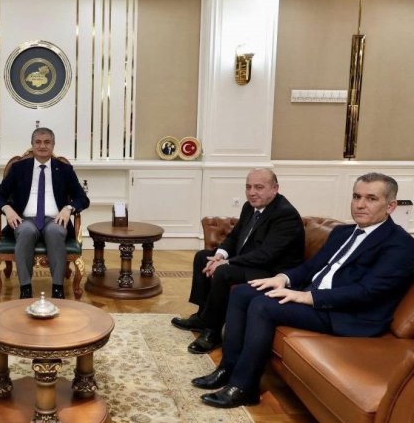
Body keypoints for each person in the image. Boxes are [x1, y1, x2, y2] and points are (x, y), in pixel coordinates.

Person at [192, 172, 414, 409]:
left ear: (390, 206)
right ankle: (227, 369)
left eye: (371, 199)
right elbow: (311, 267)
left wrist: (307, 296)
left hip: (348, 314)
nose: (360, 204)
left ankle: (244, 387)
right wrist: (283, 278)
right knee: (243, 292)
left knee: (263, 306)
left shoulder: (400, 245)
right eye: (356, 196)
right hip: (315, 297)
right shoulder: (342, 233)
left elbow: (367, 292)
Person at [172, 168, 305, 354]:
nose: (252, 192)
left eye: (259, 187)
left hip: (271, 271)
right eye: (248, 187)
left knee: (223, 272)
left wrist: (227, 263)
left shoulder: (285, 215)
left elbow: (266, 254)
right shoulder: (249, 207)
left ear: (275, 188)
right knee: (202, 257)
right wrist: (220, 255)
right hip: (253, 262)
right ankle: (202, 317)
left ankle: (213, 332)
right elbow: (234, 237)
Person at [0, 127, 90, 299]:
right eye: (38, 142)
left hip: (55, 219)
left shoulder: (64, 170)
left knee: (55, 231)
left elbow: (82, 198)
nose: (42, 146)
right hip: (25, 219)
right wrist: (7, 209)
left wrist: (68, 208)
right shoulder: (18, 168)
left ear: (53, 145)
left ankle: (57, 288)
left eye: (47, 142)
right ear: (32, 145)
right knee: (26, 231)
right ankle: (25, 289)